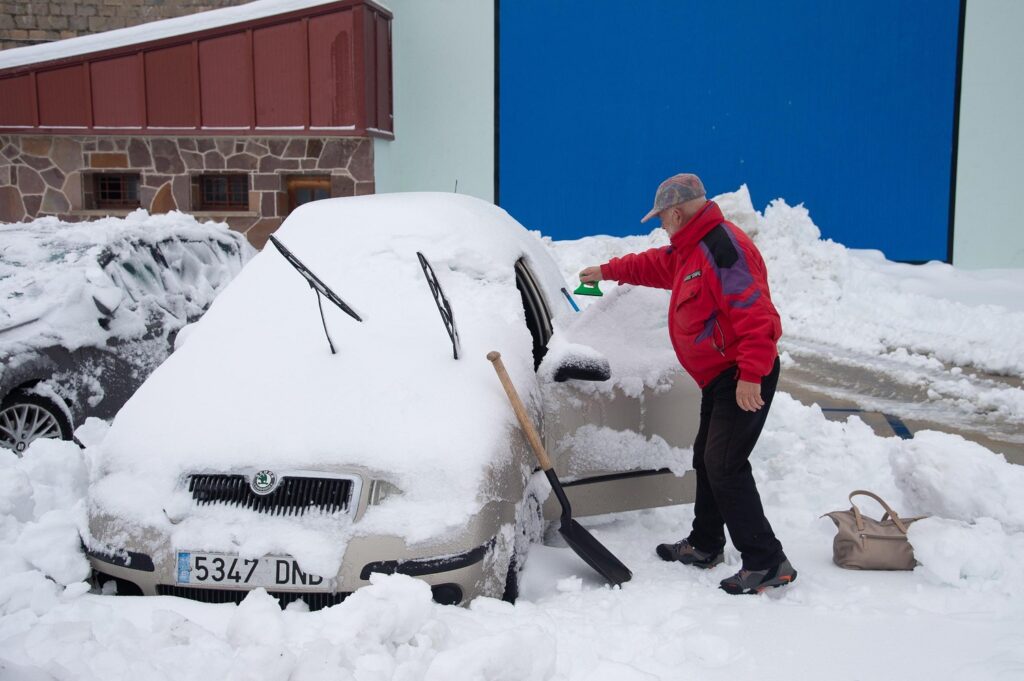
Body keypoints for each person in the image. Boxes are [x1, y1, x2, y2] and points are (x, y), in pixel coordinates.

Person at [579, 173, 796, 595]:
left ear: (677, 212)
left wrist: (751, 374)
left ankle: (767, 562)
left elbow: (756, 314)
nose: (661, 225)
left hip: (742, 373)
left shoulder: (722, 247)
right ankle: (705, 543)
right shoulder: (692, 247)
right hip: (721, 375)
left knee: (726, 465)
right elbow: (656, 264)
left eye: (662, 218)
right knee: (707, 457)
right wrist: (607, 270)